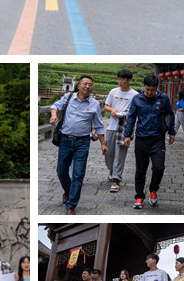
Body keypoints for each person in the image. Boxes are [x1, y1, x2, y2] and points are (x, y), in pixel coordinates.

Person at [49, 75, 108, 215]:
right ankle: (68, 190)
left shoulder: (94, 104)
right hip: (65, 140)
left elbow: (99, 126)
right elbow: (55, 106)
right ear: (79, 86)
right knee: (61, 171)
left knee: (78, 174)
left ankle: (71, 205)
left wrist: (103, 144)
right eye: (85, 84)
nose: (88, 87)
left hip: (82, 142)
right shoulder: (69, 98)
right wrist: (53, 115)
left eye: (90, 85)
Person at [124, 74, 176, 209]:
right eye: (147, 89)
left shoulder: (163, 98)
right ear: (144, 87)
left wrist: (172, 132)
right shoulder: (137, 99)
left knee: (159, 167)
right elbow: (131, 117)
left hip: (158, 139)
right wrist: (127, 135)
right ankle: (139, 196)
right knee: (140, 170)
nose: (149, 92)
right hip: (141, 139)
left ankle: (153, 189)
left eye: (152, 90)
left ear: (156, 88)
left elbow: (170, 114)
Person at [104, 70, 138, 193]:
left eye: (122, 79)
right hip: (112, 127)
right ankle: (112, 170)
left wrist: (124, 115)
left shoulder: (134, 95)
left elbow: (134, 112)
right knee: (109, 153)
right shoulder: (113, 92)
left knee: (120, 154)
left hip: (124, 128)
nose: (120, 81)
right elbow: (106, 106)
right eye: (118, 79)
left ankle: (116, 179)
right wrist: (112, 110)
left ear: (129, 80)